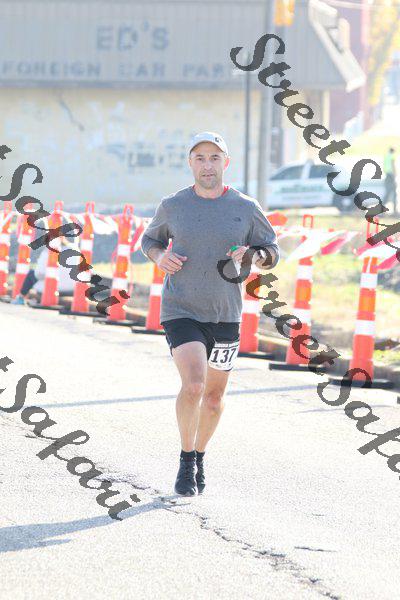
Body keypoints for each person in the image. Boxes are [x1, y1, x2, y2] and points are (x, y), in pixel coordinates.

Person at [141, 131, 280, 496]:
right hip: (181, 308)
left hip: (225, 313)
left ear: (225, 163)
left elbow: (271, 252)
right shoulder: (173, 205)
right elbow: (150, 240)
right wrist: (160, 256)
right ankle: (186, 458)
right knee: (194, 385)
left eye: (214, 158)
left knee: (214, 399)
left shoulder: (245, 207)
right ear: (190, 163)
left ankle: (200, 454)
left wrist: (254, 256)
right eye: (200, 158)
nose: (207, 165)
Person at [11, 236, 78, 305]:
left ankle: (21, 298)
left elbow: (39, 273)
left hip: (53, 289)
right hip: (72, 289)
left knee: (32, 273)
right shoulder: (74, 248)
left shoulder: (48, 251)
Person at [383, 147, 397, 212]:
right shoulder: (392, 156)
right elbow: (393, 165)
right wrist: (395, 174)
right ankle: (395, 210)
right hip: (391, 176)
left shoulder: (386, 156)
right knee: (394, 193)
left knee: (387, 193)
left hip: (387, 176)